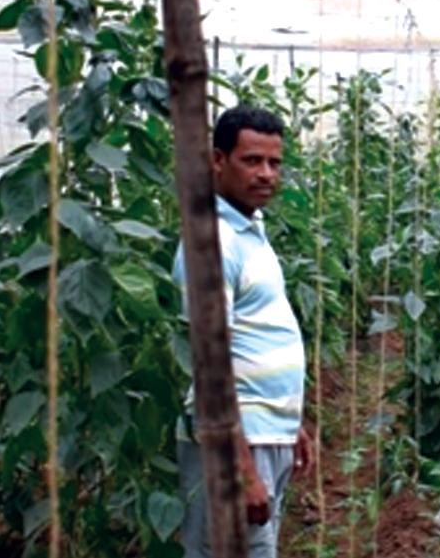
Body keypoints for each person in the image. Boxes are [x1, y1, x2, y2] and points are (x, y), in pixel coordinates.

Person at [173, 105, 311, 558]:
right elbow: (210, 368)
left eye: (274, 162)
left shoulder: (249, 231)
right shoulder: (211, 243)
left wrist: (288, 422)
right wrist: (243, 468)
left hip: (264, 435)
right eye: (252, 160)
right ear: (218, 160)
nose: (266, 173)